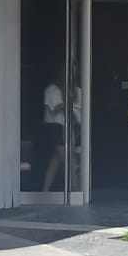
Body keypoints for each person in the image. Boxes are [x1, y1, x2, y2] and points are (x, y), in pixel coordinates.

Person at [41, 64, 81, 192]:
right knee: (68, 160)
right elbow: (57, 109)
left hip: (67, 127)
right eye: (70, 72)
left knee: (55, 162)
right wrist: (70, 102)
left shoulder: (76, 90)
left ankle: (44, 191)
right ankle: (76, 190)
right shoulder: (52, 89)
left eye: (74, 73)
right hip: (54, 127)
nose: (72, 76)